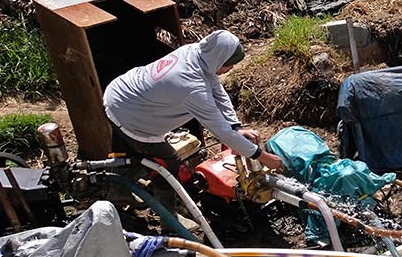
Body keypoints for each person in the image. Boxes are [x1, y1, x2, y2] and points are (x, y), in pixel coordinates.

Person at [104, 30, 285, 171]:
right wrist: (263, 157)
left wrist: (236, 127)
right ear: (218, 59)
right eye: (229, 64)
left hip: (123, 92)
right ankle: (168, 215)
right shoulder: (191, 86)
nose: (231, 68)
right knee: (169, 162)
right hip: (127, 111)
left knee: (125, 156)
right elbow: (220, 130)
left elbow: (217, 90)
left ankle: (121, 186)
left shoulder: (196, 53)